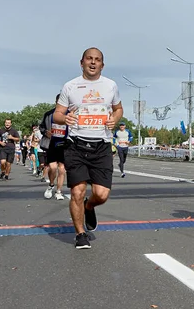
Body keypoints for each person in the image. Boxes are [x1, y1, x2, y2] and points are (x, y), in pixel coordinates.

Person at [53, 47, 123, 249]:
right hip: (76, 145)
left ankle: (89, 206)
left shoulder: (110, 86)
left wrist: (115, 120)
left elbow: (118, 109)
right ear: (81, 62)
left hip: (101, 146)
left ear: (102, 64)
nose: (93, 62)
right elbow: (58, 113)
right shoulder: (70, 86)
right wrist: (65, 118)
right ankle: (80, 234)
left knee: (101, 194)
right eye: (89, 59)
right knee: (77, 191)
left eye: (97, 60)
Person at [41, 94, 68, 200]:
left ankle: (59, 191)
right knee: (52, 167)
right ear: (56, 102)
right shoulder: (49, 114)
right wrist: (45, 132)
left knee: (62, 169)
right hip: (51, 144)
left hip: (64, 145)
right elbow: (41, 127)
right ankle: (51, 185)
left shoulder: (69, 114)